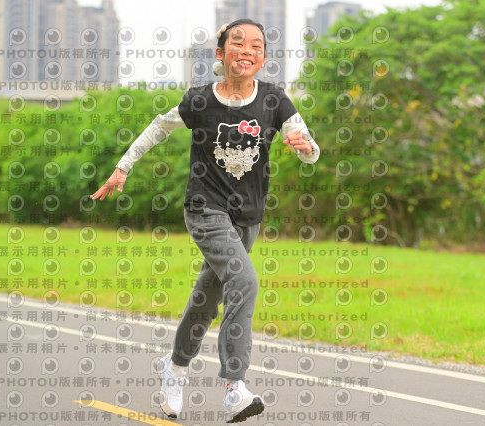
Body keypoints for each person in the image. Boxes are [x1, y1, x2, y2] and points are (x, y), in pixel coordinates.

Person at [90, 18, 320, 423]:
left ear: (263, 58)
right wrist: (123, 166)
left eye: (256, 46)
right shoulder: (200, 100)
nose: (247, 51)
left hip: (248, 215)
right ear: (220, 53)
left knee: (206, 299)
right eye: (238, 43)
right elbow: (159, 128)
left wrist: (304, 147)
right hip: (205, 208)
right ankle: (234, 387)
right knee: (245, 282)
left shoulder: (274, 100)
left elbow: (310, 150)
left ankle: (174, 367)